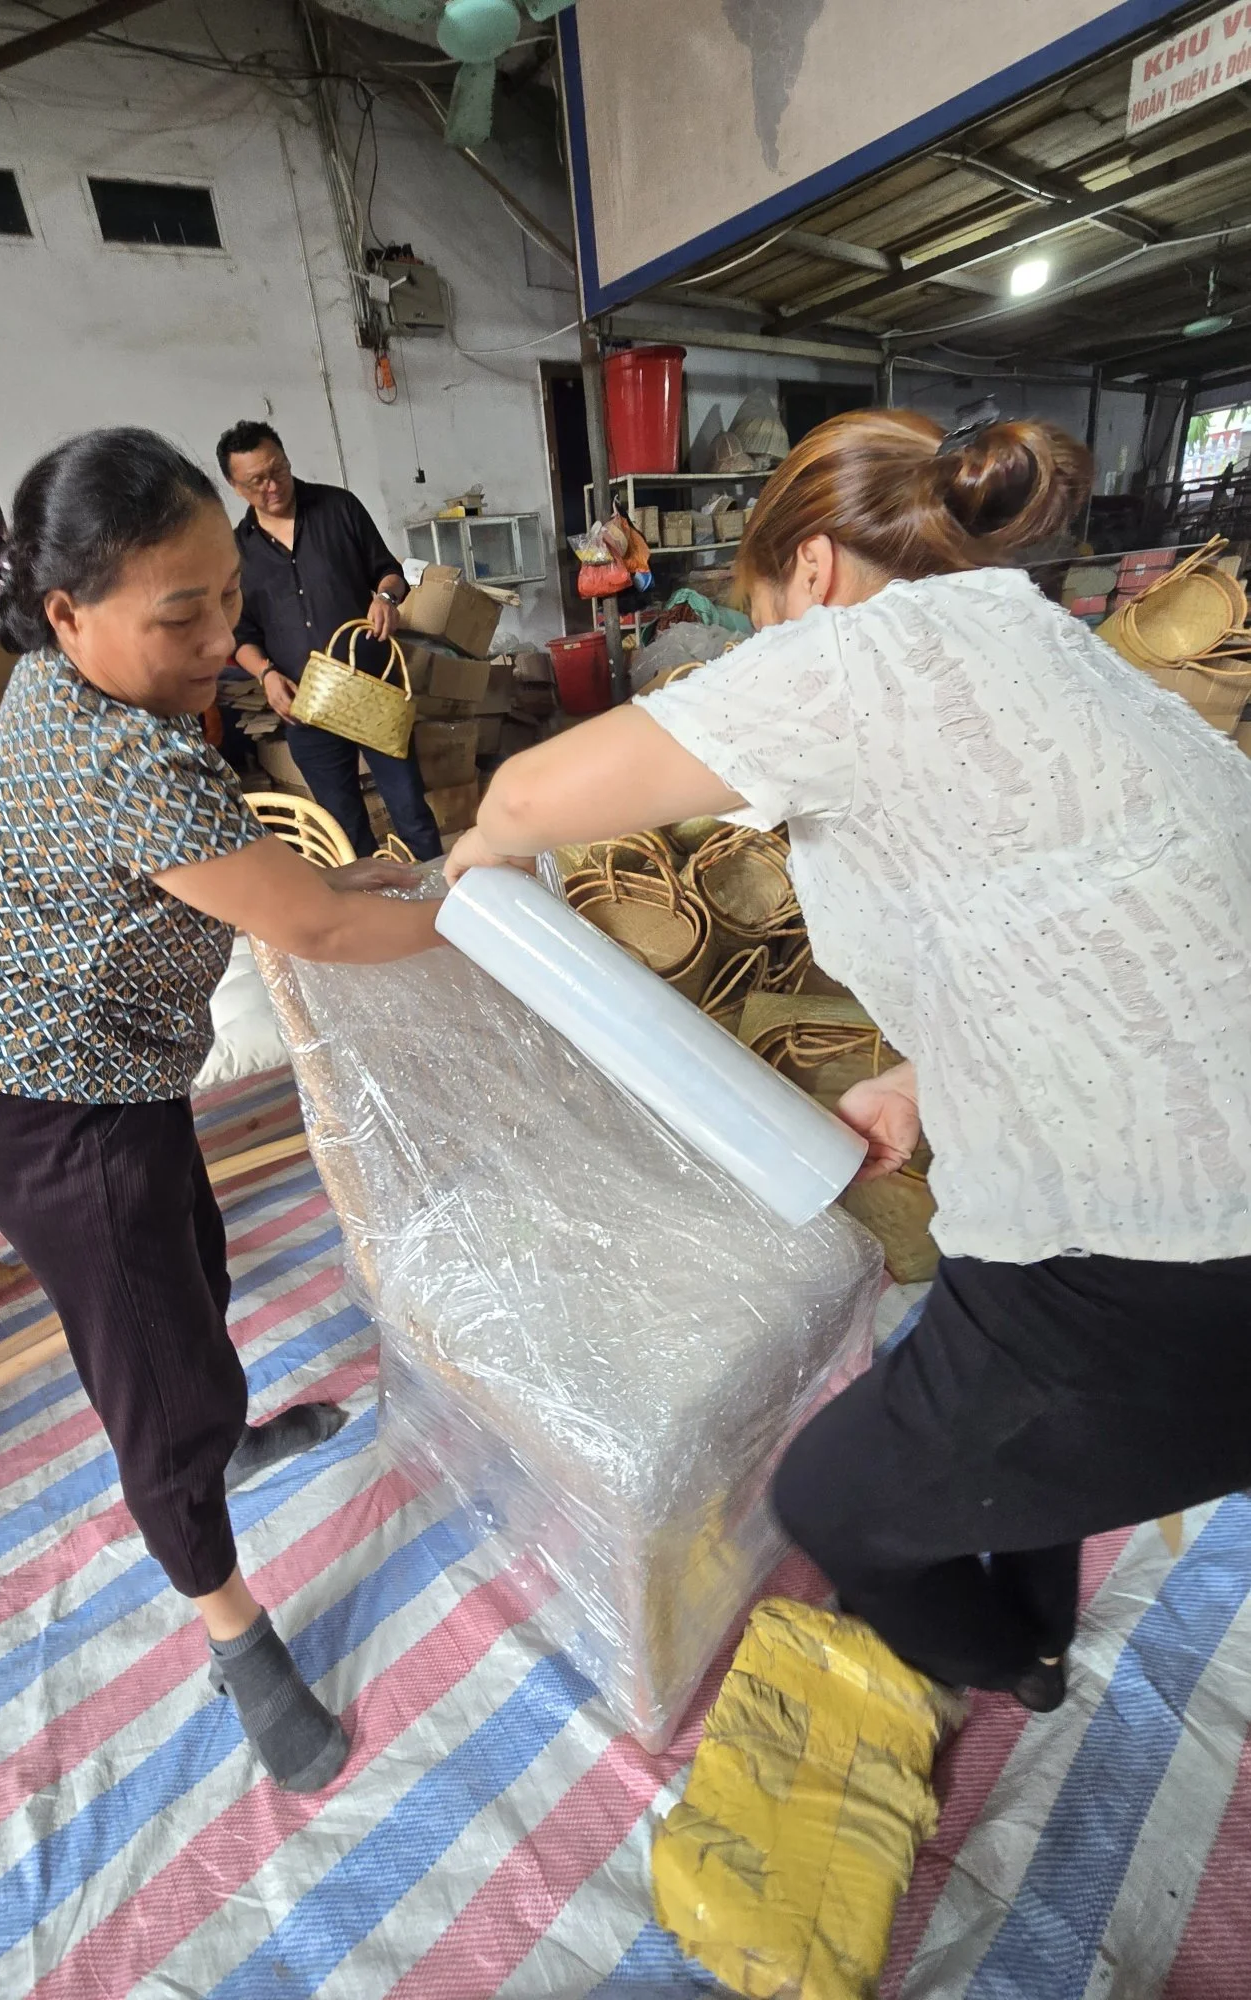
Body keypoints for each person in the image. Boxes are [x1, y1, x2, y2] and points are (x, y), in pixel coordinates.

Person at [446, 408, 1251, 1712]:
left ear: (811, 568)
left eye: (763, 614)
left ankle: (1005, 1670)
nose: (771, 645)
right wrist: (922, 1084)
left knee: (831, 1496)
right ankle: (1039, 1630)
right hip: (1179, 1203)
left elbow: (531, 799)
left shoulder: (863, 650)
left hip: (1171, 1259)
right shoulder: (1050, 648)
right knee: (984, 1376)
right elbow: (1082, 913)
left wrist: (477, 854)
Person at [0, 427, 440, 1793]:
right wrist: (463, 920)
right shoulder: (125, 760)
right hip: (50, 1118)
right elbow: (315, 935)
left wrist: (394, 886)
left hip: (103, 1079)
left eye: (227, 595)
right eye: (184, 614)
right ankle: (235, 1633)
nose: (222, 633)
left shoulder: (78, 692)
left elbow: (295, 886)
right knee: (149, 1378)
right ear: (65, 614)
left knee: (192, 1278)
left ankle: (228, 1432)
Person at [218, 419, 442, 861]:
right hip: (306, 704)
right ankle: (373, 910)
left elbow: (390, 572)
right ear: (235, 486)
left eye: (277, 469)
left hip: (371, 687)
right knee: (341, 821)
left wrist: (383, 597)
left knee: (408, 805)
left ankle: (439, 902)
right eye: (256, 481)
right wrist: (265, 676)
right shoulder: (235, 551)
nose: (272, 486)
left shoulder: (338, 507)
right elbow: (241, 635)